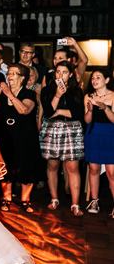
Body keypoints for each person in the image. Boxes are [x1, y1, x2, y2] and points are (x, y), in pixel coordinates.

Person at [0, 63, 43, 213]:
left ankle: (25, 200)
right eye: (9, 74)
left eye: (13, 73)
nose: (9, 76)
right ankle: (7, 197)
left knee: (26, 168)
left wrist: (9, 94)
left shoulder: (28, 94)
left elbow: (24, 110)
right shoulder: (2, 93)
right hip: (6, 137)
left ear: (22, 78)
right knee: (7, 168)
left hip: (25, 137)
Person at [39, 61, 85, 215]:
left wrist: (58, 112)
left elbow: (79, 114)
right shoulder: (47, 90)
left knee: (73, 168)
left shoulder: (77, 91)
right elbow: (48, 112)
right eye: (58, 72)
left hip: (72, 130)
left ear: (71, 74)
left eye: (64, 72)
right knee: (53, 166)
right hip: (52, 130)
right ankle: (54, 198)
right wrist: (57, 96)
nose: (60, 75)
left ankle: (75, 204)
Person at [84, 69, 114, 217]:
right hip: (93, 134)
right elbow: (87, 120)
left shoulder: (113, 96)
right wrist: (90, 110)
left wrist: (106, 108)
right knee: (94, 169)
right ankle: (94, 201)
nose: (94, 80)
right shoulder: (88, 97)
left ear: (107, 80)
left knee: (112, 172)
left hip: (110, 135)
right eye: (93, 78)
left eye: (98, 77)